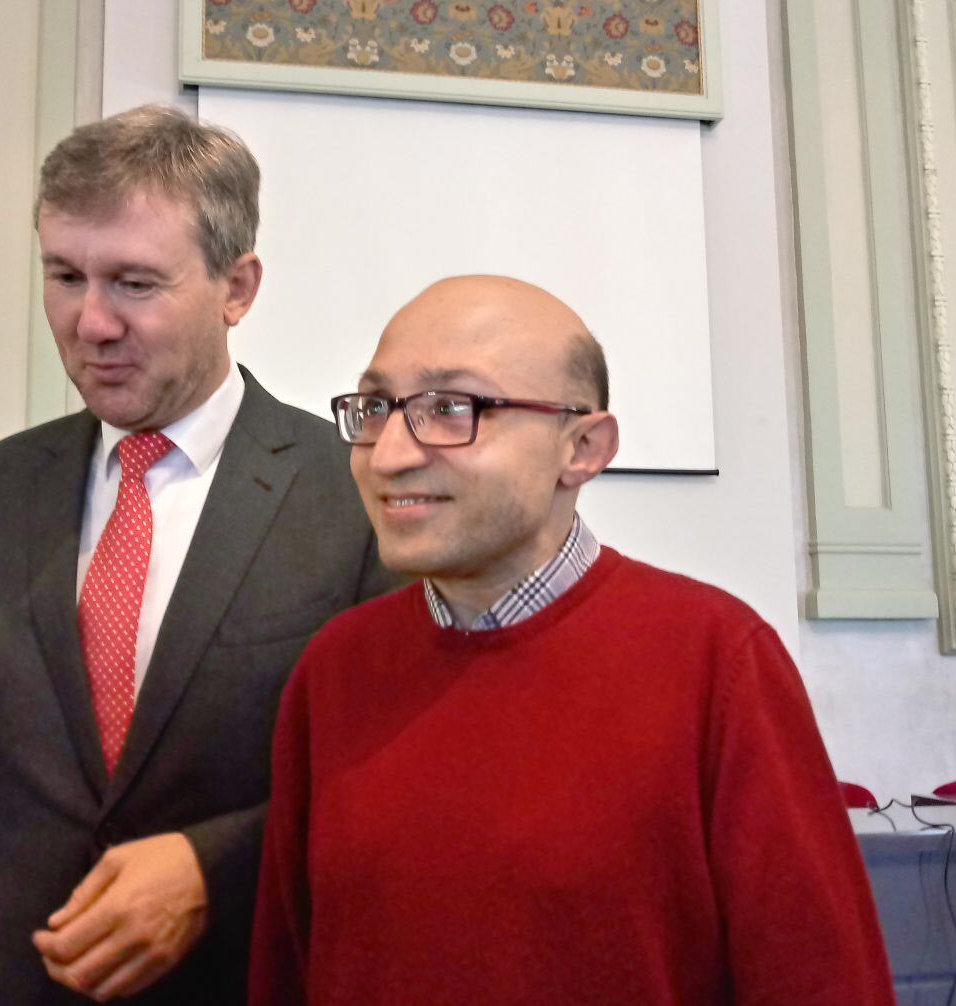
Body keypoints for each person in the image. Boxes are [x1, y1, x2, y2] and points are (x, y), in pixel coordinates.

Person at [248, 275, 896, 1005]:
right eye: (376, 409)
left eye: (452, 409)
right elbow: (287, 966)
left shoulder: (716, 661)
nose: (389, 454)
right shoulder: (336, 668)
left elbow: (820, 979)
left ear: (583, 447)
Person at [0, 105, 394, 1005]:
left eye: (135, 284)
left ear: (237, 288)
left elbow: (388, 787)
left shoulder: (352, 493)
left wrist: (209, 867)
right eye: (66, 276)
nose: (91, 323)